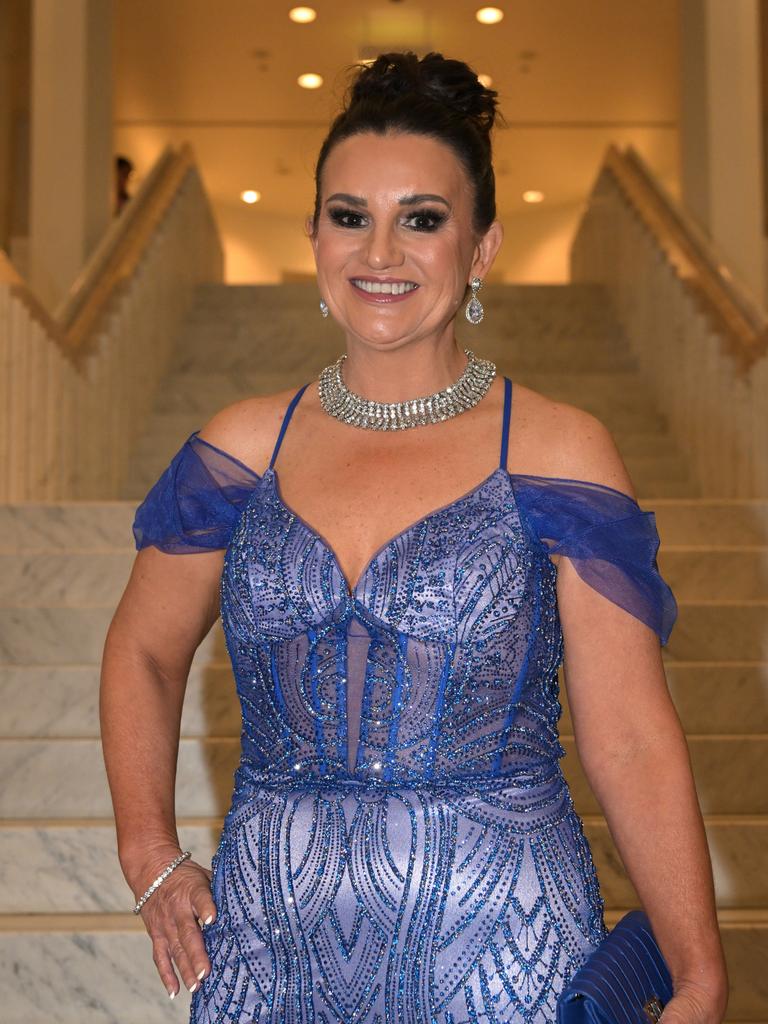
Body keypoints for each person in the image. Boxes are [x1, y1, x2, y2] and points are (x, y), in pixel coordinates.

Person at [100, 51, 729, 1023]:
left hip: (504, 952)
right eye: (350, 216)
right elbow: (142, 648)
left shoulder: (558, 450)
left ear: (480, 248)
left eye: (422, 220)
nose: (379, 252)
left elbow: (634, 738)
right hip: (271, 951)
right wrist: (147, 850)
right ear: (314, 235)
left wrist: (698, 975)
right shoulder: (239, 447)